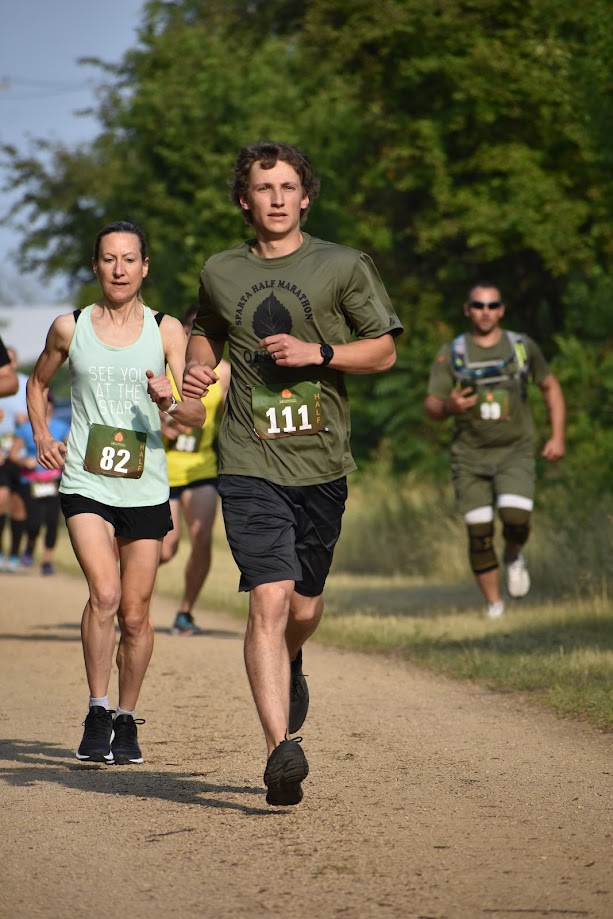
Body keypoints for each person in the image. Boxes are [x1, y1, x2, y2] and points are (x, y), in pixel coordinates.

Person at [182, 141, 403, 806]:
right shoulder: (220, 268)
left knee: (302, 606)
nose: (275, 198)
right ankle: (280, 750)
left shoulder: (342, 265)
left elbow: (385, 349)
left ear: (305, 196)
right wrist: (198, 365)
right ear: (243, 199)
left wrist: (320, 351)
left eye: (286, 187)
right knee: (268, 600)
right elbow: (207, 328)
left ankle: (293, 656)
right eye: (261, 187)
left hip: (321, 462)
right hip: (249, 460)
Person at [27, 220, 206, 766]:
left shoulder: (167, 330)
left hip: (146, 485)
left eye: (130, 259)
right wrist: (42, 436)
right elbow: (37, 385)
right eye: (109, 259)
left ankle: (127, 720)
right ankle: (97, 709)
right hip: (85, 480)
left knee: (135, 613)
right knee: (103, 595)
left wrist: (168, 399)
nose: (120, 269)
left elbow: (194, 411)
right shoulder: (70, 326)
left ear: (145, 266)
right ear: (96, 265)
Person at [424, 281, 566, 620]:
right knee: (479, 532)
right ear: (467, 309)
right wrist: (450, 407)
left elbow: (550, 386)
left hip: (514, 450)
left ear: (501, 310)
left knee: (516, 518)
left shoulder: (521, 347)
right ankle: (494, 605)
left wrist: (557, 436)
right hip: (469, 457)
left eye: (492, 306)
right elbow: (431, 405)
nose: (485, 312)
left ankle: (514, 553)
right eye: (478, 305)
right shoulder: (453, 353)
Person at [159, 304, 230, 635]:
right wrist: (163, 425)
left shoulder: (225, 373)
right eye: (189, 331)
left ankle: (185, 612)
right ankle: (127, 591)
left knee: (202, 538)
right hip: (163, 469)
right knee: (166, 547)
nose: (194, 338)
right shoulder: (161, 369)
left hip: (202, 467)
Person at [9, 390, 70, 574]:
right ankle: (29, 546)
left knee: (52, 521)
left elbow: (69, 452)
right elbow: (12, 454)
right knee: (34, 522)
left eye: (49, 402)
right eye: (43, 402)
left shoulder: (62, 426)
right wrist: (23, 461)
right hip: (31, 481)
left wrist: (62, 467)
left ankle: (47, 561)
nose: (46, 405)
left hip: (53, 481)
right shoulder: (25, 428)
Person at [0, 346, 29, 571]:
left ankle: (14, 556)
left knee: (19, 506)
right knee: (1, 501)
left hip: (22, 452)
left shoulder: (25, 383)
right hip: (1, 451)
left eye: (11, 360)